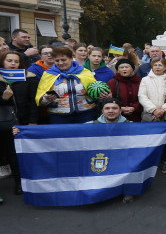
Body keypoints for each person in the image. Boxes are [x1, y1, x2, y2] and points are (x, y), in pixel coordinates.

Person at [0, 51, 38, 195]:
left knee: (15, 154)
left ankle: (19, 183)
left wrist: (32, 121)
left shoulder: (28, 77)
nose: (12, 64)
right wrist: (4, 98)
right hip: (3, 121)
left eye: (16, 61)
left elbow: (33, 102)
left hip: (22, 120)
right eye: (9, 61)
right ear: (3, 61)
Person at [36, 46, 97, 124]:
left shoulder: (84, 72)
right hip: (59, 116)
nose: (60, 63)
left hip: (86, 113)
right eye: (57, 60)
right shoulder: (48, 74)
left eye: (63, 60)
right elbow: (41, 98)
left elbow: (95, 91)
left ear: (71, 58)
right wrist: (46, 98)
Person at [138, 57, 166, 174]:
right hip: (150, 115)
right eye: (155, 65)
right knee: (149, 139)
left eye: (160, 65)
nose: (157, 67)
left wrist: (163, 109)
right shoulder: (145, 80)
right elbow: (142, 96)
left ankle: (164, 160)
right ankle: (149, 161)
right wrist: (154, 109)